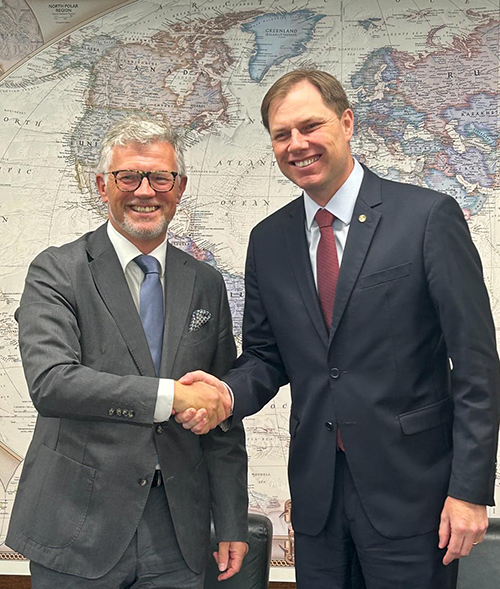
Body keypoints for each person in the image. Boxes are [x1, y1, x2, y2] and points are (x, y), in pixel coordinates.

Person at [176, 69, 500, 588]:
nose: (297, 144)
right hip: (318, 500)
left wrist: (469, 490)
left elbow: (476, 364)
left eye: (310, 126)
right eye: (282, 134)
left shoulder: (426, 217)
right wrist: (224, 395)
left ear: (346, 123)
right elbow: (265, 356)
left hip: (415, 496)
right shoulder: (269, 240)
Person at [6, 114, 248, 589]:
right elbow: (52, 383)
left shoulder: (205, 282)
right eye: (128, 177)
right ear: (102, 185)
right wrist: (173, 397)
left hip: (178, 535)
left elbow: (220, 412)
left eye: (160, 177)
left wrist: (231, 520)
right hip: (76, 526)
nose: (145, 191)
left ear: (179, 187)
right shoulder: (56, 271)